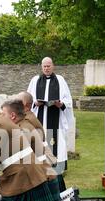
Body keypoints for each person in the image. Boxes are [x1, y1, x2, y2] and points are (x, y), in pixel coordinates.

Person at [2, 99, 80, 201]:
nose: (2, 117)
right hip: (46, 172)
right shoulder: (26, 121)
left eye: (3, 114)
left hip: (43, 177)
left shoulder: (25, 127)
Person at [27, 57, 74, 192]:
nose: (46, 68)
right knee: (40, 144)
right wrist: (35, 102)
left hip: (56, 120)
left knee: (55, 145)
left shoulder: (60, 80)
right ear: (41, 67)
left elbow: (68, 100)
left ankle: (56, 175)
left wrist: (61, 104)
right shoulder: (35, 80)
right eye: (44, 66)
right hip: (39, 119)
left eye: (49, 66)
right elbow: (28, 98)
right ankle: (39, 173)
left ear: (53, 66)